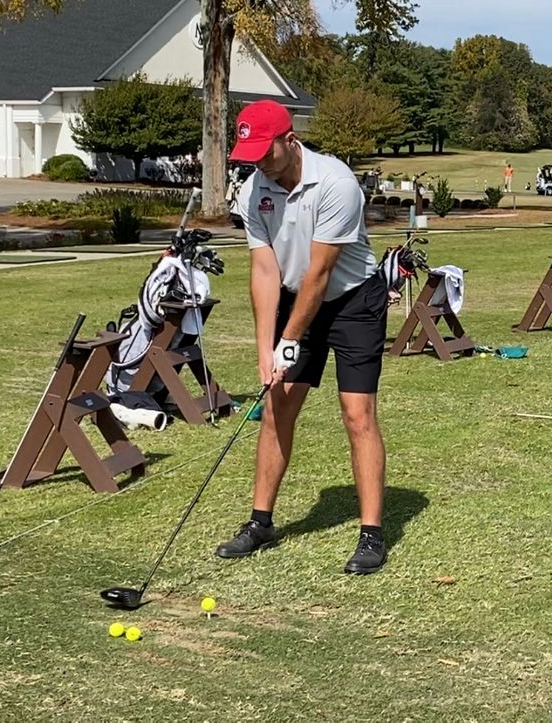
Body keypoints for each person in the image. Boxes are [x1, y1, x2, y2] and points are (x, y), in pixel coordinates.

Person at [213, 99, 391, 575]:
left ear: (291, 141)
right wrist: (265, 349)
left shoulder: (336, 183)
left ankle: (371, 533)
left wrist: (289, 340)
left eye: (264, 152)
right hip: (298, 298)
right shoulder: (255, 190)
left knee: (357, 413)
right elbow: (265, 271)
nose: (258, 164)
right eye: (248, 154)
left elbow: (321, 271)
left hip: (354, 300)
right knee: (278, 404)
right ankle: (260, 522)